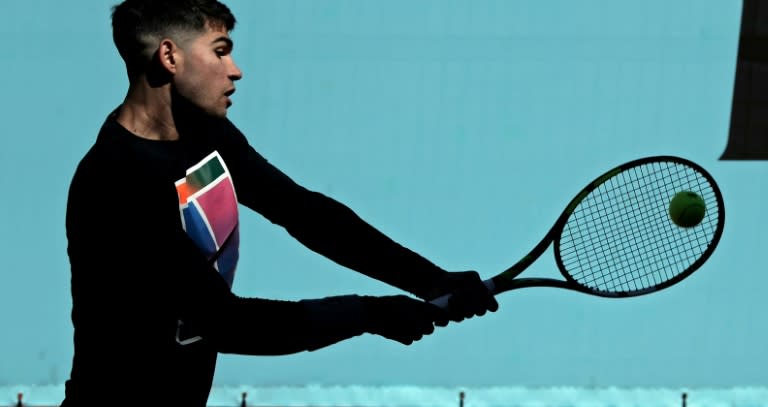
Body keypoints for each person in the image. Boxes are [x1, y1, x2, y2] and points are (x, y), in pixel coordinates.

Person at [61, 1, 498, 406]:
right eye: (220, 52)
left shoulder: (208, 138)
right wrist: (369, 313)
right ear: (170, 56)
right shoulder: (116, 180)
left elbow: (305, 213)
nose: (236, 71)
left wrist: (430, 279)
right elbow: (224, 322)